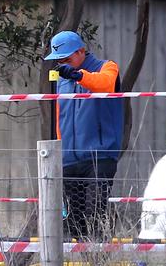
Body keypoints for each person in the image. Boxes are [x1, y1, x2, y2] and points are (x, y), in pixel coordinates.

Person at [44, 30, 124, 239]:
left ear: (81, 51)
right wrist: (61, 151)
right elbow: (60, 117)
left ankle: (98, 256)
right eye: (59, 60)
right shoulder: (62, 80)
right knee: (73, 220)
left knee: (95, 211)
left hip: (100, 155)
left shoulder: (107, 67)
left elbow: (104, 84)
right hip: (69, 158)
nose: (63, 63)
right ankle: (78, 257)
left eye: (67, 59)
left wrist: (78, 76)